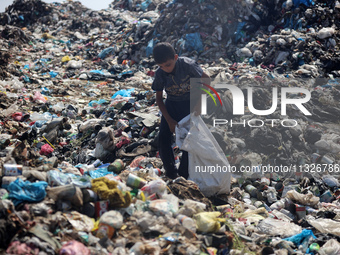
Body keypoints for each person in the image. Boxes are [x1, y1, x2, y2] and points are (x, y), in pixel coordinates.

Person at [151, 42, 210, 179]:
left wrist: (199, 103)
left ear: (176, 57)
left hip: (190, 104)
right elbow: (159, 99)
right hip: (171, 104)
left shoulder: (187, 65)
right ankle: (171, 173)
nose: (165, 69)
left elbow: (206, 80)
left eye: (168, 65)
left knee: (190, 139)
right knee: (163, 138)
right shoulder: (160, 74)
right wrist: (169, 120)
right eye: (161, 66)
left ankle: (183, 174)